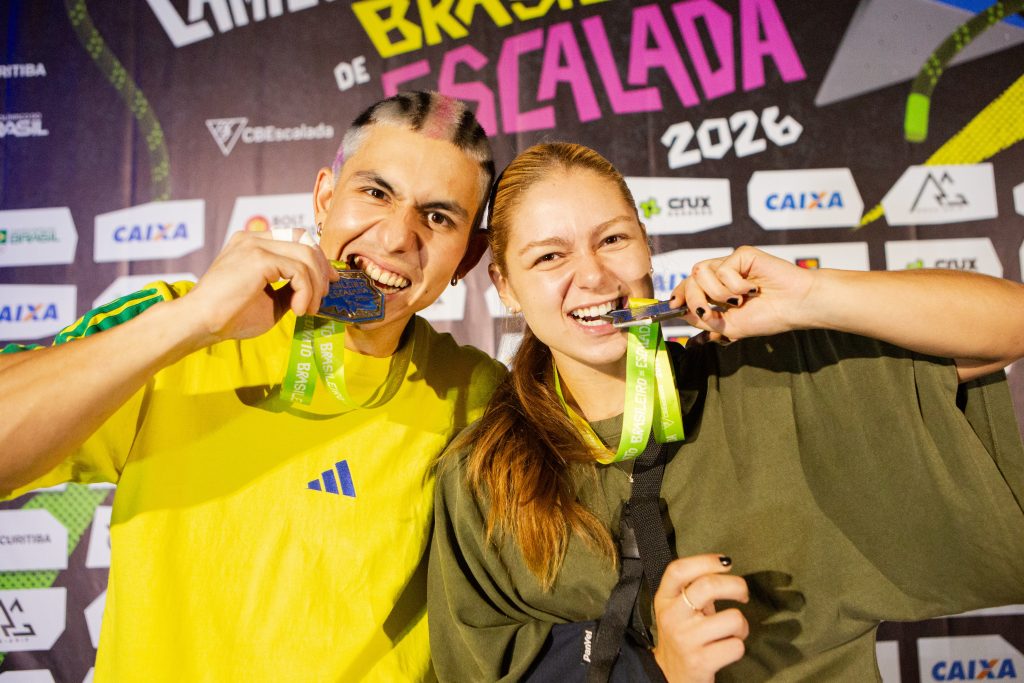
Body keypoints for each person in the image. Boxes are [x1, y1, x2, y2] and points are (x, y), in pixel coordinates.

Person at [427, 142, 1024, 682]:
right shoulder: (482, 477)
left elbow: (1009, 328)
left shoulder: (767, 377)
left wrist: (809, 297)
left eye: (612, 240)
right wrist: (652, 672)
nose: (592, 275)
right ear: (505, 285)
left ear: (646, 244)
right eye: (549, 257)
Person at [0, 92, 506, 681]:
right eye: (375, 193)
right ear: (325, 199)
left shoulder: (481, 394)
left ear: (468, 256)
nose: (396, 237)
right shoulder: (171, 325)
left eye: (438, 217)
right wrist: (193, 322)